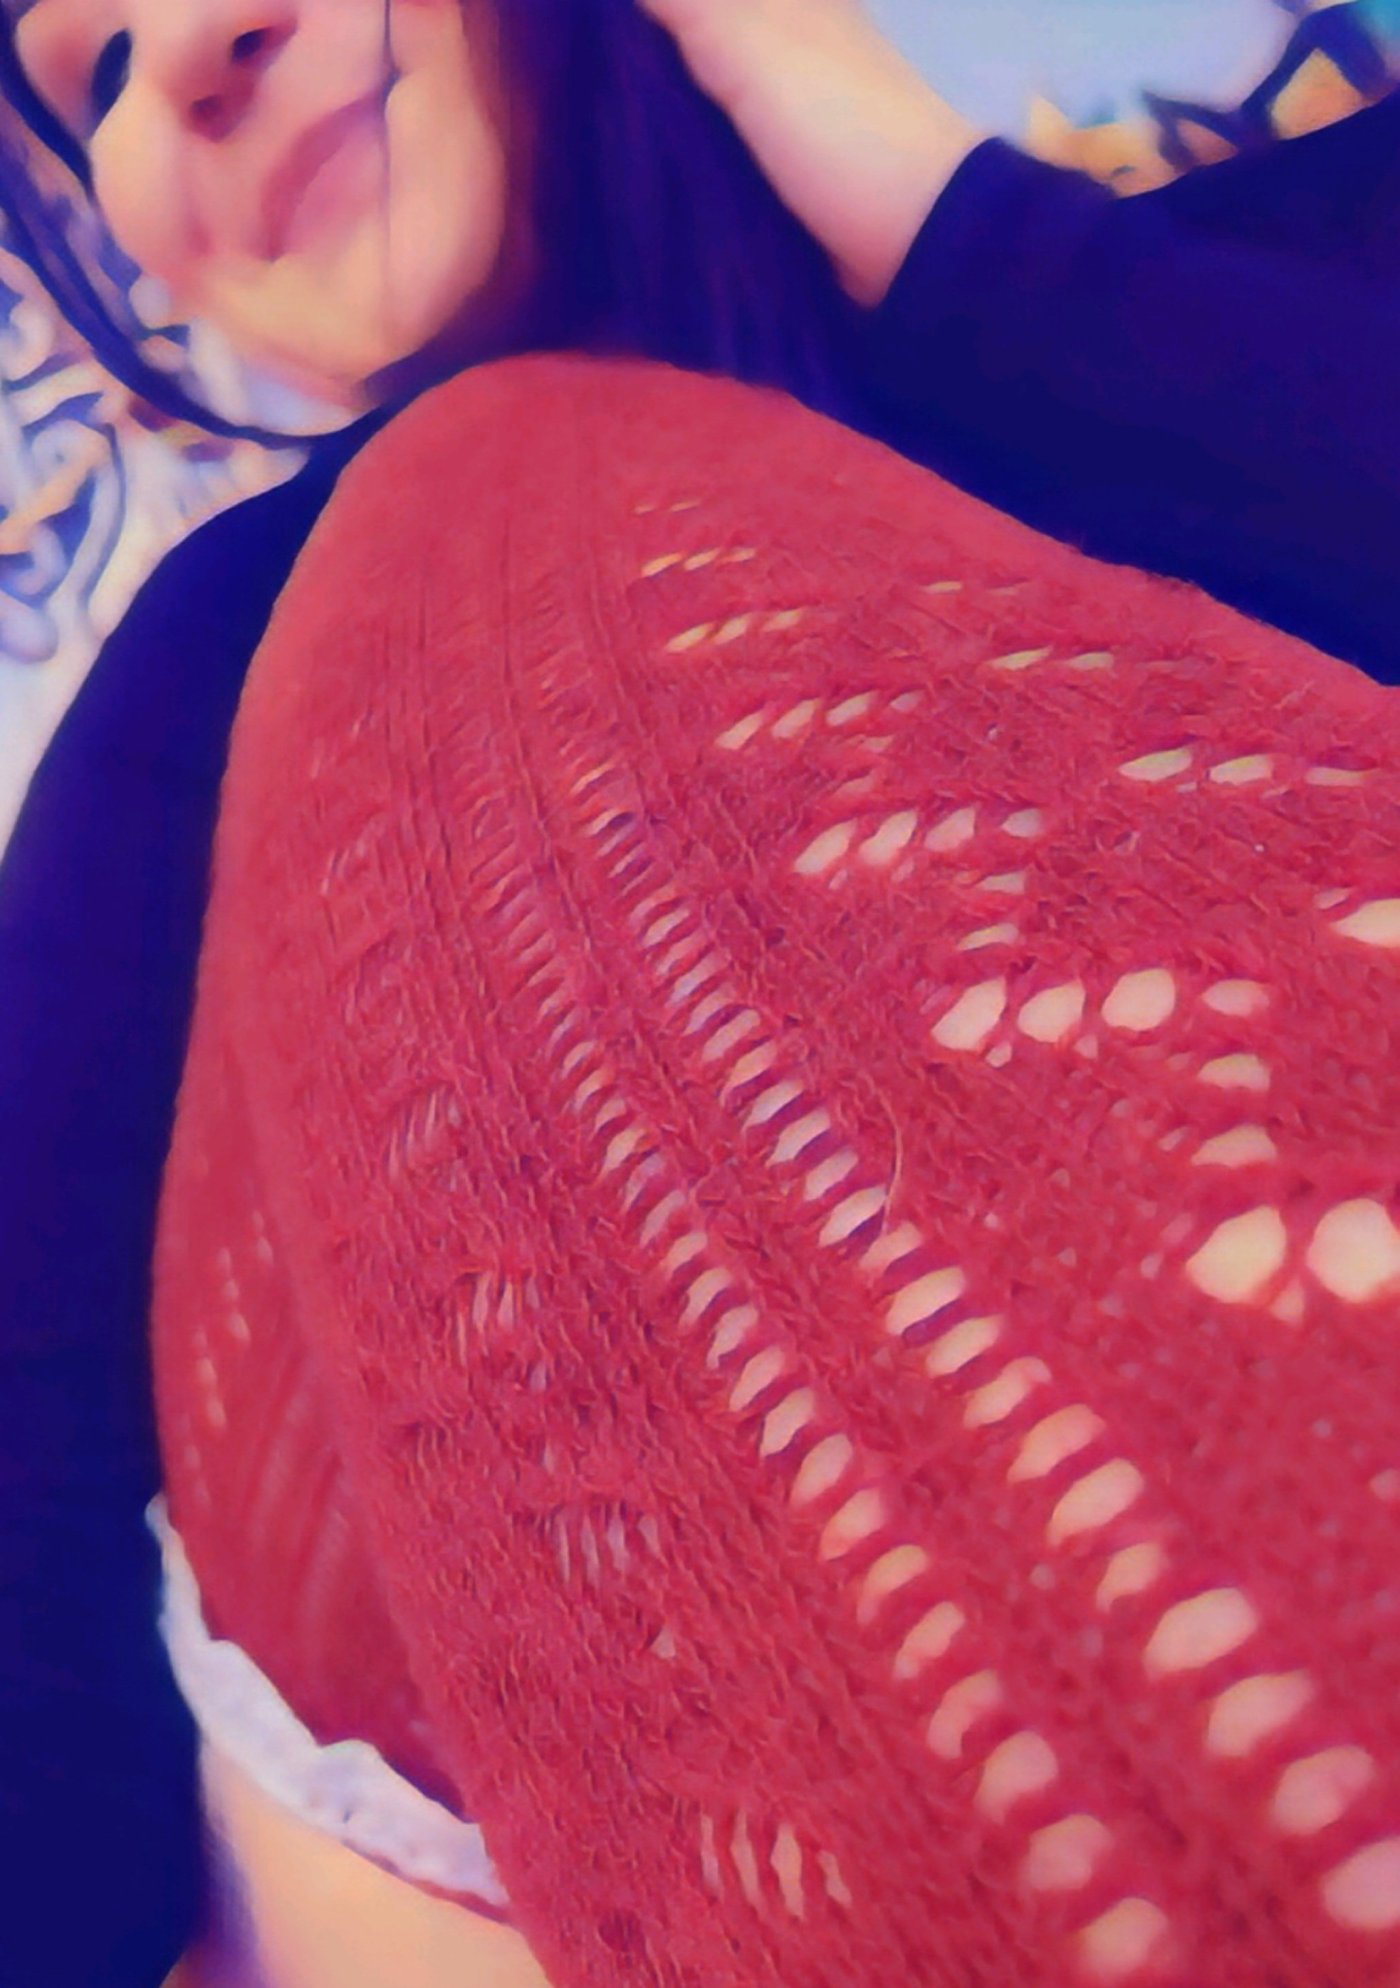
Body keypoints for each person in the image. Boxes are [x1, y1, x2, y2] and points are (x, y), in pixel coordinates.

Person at [0, 2, 1396, 1984]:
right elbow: (21, 1485)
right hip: (470, 1764)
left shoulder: (1229, 277)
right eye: (96, 72)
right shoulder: (207, 661)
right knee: (483, 470)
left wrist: (951, 229)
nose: (191, 51)